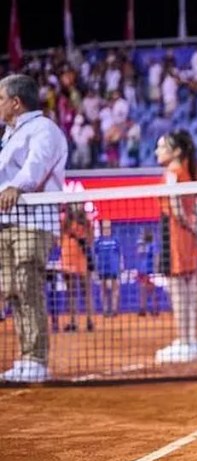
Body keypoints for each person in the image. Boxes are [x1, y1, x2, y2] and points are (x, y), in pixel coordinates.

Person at [0, 74, 68, 382]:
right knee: (13, 291)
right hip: (7, 222)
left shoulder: (44, 129)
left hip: (33, 221)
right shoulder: (8, 135)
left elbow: (35, 166)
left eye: (1, 98)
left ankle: (36, 359)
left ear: (15, 102)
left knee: (28, 287)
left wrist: (16, 186)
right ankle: (25, 356)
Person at [154, 129, 197, 361]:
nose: (157, 151)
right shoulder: (185, 170)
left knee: (179, 290)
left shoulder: (173, 172)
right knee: (188, 287)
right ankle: (190, 339)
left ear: (176, 152)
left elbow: (176, 206)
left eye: (162, 147)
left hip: (175, 233)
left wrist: (190, 226)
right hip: (185, 235)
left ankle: (185, 341)